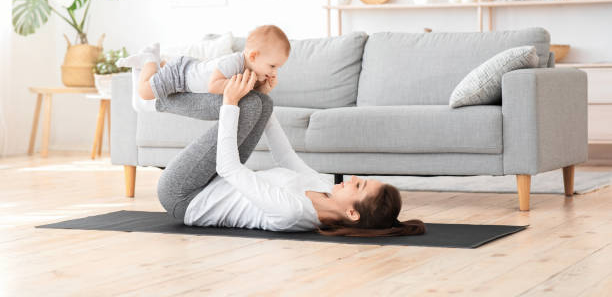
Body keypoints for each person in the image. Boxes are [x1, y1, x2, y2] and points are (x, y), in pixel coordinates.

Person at [154, 67, 426, 237]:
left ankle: (159, 98)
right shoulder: (325, 189)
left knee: (246, 104)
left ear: (352, 214)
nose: (353, 177)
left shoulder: (293, 212)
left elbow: (230, 169)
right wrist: (267, 100)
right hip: (214, 180)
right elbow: (286, 158)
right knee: (258, 101)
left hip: (186, 197)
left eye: (360, 185)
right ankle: (163, 97)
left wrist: (229, 101)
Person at [116, 24, 291, 112]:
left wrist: (264, 88)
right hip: (180, 74)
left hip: (189, 69)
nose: (274, 72)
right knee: (145, 92)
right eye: (272, 66)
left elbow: (250, 94)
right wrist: (236, 85)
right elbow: (213, 86)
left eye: (278, 68)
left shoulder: (255, 72)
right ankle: (149, 59)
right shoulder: (232, 63)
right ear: (253, 56)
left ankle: (162, 64)